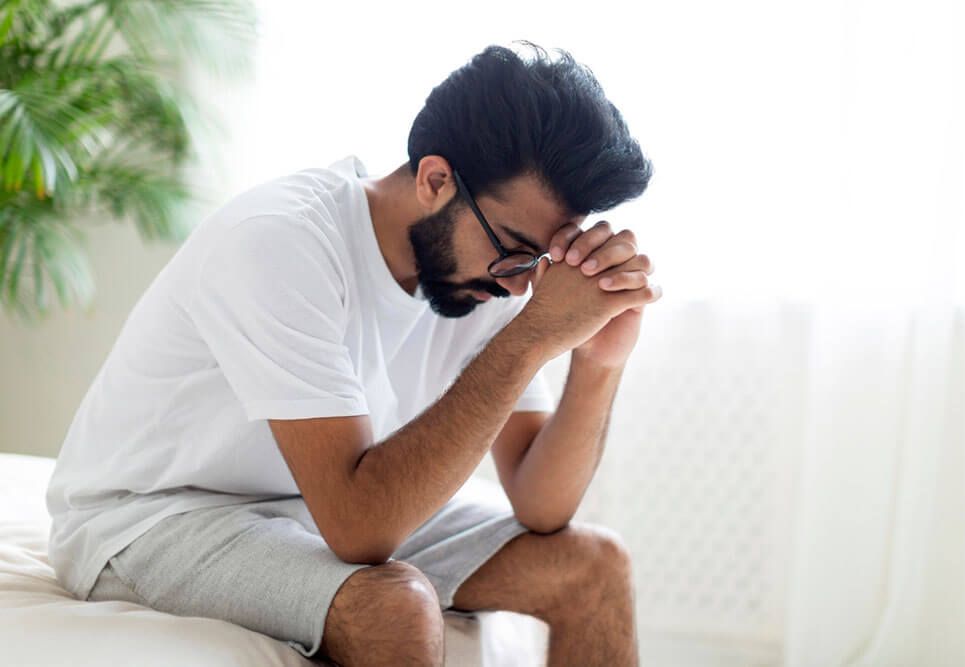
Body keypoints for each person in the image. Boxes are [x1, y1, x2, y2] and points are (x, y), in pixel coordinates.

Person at [46, 40, 659, 666]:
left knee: (592, 567)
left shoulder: (489, 268)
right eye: (513, 248)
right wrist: (530, 338)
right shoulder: (280, 241)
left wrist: (597, 359)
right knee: (395, 607)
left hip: (303, 510)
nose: (518, 285)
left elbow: (541, 504)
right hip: (153, 517)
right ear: (435, 180)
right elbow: (362, 529)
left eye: (538, 261)